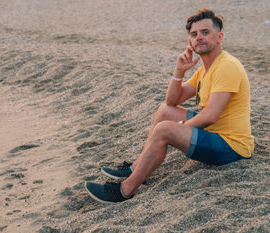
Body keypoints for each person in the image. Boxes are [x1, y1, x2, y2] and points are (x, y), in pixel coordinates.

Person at [85, 8, 254, 203]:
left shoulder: (227, 66)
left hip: (231, 146)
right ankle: (136, 168)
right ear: (190, 41)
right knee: (165, 112)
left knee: (164, 129)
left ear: (220, 36)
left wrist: (178, 129)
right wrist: (179, 71)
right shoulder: (206, 69)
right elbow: (172, 102)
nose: (199, 37)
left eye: (205, 32)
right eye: (194, 34)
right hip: (214, 132)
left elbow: (210, 116)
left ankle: (124, 190)